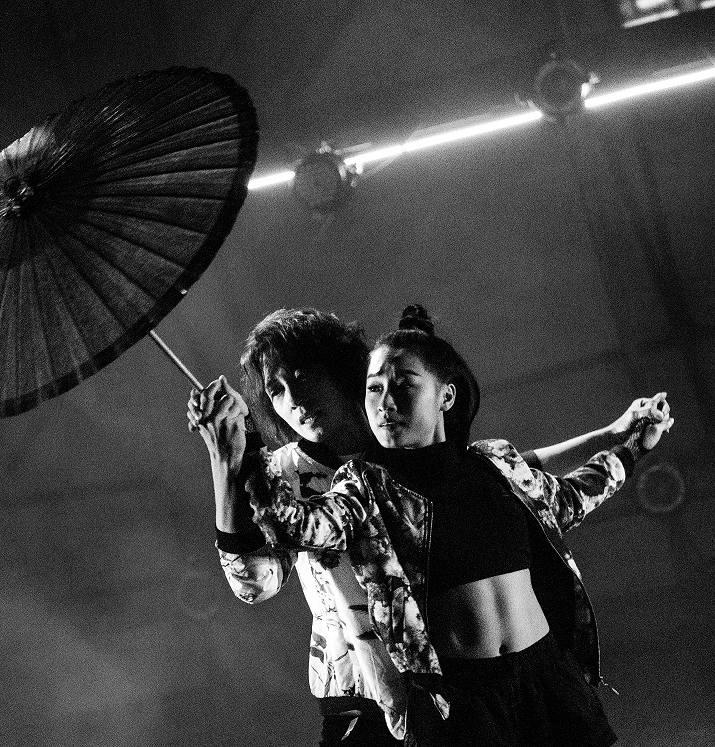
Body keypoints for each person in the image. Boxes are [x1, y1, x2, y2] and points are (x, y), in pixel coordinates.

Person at [188, 306, 672, 746]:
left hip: (528, 678)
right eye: (275, 390)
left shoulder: (453, 452)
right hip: (378, 692)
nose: (293, 399)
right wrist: (234, 460)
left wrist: (623, 441)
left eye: (302, 376)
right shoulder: (314, 479)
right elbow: (260, 574)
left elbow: (534, 486)